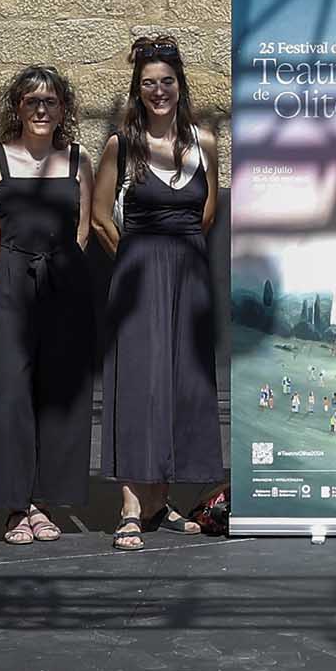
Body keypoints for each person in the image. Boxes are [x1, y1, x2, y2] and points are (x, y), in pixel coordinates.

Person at [92, 35, 227, 546]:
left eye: (166, 81)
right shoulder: (121, 145)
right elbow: (101, 216)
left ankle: (159, 500)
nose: (158, 91)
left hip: (189, 267)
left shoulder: (205, 142)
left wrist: (182, 249)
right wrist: (133, 260)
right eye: (148, 83)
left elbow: (208, 210)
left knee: (182, 382)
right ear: (137, 89)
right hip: (139, 269)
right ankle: (130, 503)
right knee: (138, 384)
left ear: (180, 84)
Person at [0, 64, 96, 541]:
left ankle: (44, 502)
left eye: (50, 101)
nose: (40, 109)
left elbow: (85, 226)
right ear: (17, 107)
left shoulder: (77, 161)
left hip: (63, 280)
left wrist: (64, 269)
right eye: (31, 100)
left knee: (58, 393)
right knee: (9, 392)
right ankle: (16, 505)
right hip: (9, 279)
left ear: (63, 110)